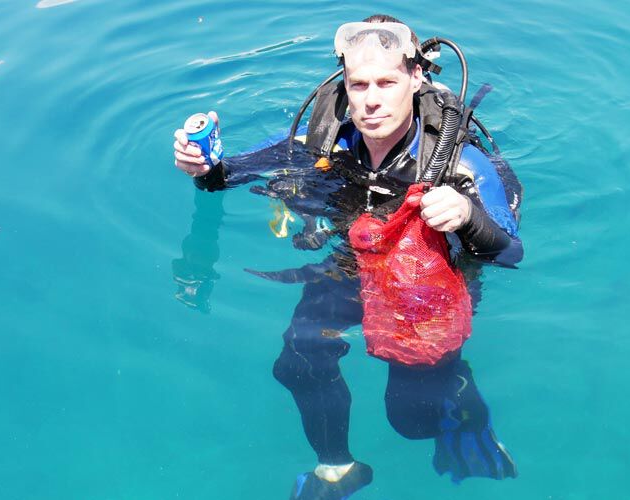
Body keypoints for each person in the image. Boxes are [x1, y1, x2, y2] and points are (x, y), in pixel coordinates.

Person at [172, 14, 522, 499]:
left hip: (429, 279)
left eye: (387, 82)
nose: (372, 99)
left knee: (412, 420)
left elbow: (510, 253)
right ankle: (335, 469)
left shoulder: (458, 161)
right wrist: (204, 167)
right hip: (355, 263)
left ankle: (462, 404)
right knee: (298, 359)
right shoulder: (328, 137)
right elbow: (231, 173)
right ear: (345, 83)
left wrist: (466, 215)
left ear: (416, 78)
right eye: (359, 84)